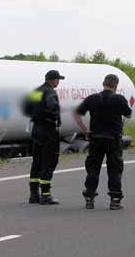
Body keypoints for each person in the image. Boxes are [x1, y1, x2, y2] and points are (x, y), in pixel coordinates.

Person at [74, 74, 133, 210]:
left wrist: (85, 130)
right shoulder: (119, 99)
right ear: (116, 85)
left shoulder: (92, 98)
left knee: (93, 168)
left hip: (95, 138)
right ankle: (115, 200)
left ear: (103, 83)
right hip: (113, 139)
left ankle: (89, 198)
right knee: (115, 169)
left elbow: (77, 113)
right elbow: (128, 114)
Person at [26, 70, 65, 205]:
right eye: (58, 79)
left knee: (37, 161)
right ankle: (46, 195)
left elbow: (28, 107)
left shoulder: (37, 91)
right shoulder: (50, 92)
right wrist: (53, 118)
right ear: (53, 80)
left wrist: (37, 116)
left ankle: (33, 195)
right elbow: (52, 106)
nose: (58, 82)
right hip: (48, 131)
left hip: (36, 130)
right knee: (49, 161)